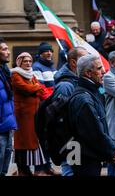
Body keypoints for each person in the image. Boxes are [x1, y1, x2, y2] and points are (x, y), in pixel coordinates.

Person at [68, 55, 115, 176]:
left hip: (86, 153)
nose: (104, 71)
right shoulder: (84, 99)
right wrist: (111, 149)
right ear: (88, 73)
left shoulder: (92, 92)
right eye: (99, 68)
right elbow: (94, 131)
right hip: (84, 156)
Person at [51, 47, 88, 176]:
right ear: (73, 63)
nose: (88, 61)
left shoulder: (78, 80)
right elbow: (61, 118)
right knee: (70, 172)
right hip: (70, 141)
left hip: (78, 139)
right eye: (84, 58)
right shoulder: (65, 86)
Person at [11, 53, 47, 176]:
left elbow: (41, 89)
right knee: (23, 142)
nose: (28, 63)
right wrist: (36, 88)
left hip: (32, 115)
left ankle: (26, 169)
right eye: (25, 61)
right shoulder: (15, 74)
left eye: (30, 61)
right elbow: (25, 89)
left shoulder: (31, 75)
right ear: (19, 62)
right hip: (22, 116)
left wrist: (35, 88)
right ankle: (22, 169)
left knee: (31, 141)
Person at [32, 42, 57, 174]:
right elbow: (41, 88)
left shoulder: (53, 67)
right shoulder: (36, 67)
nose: (49, 53)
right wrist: (54, 97)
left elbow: (55, 86)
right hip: (45, 108)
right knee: (42, 138)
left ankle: (47, 165)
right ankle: (41, 167)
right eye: (46, 51)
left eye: (50, 51)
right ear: (40, 53)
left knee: (49, 138)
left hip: (53, 106)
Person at [0, 38, 17, 176]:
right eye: (4, 49)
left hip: (8, 125)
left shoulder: (5, 72)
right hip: (1, 127)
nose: (8, 52)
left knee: (4, 167)